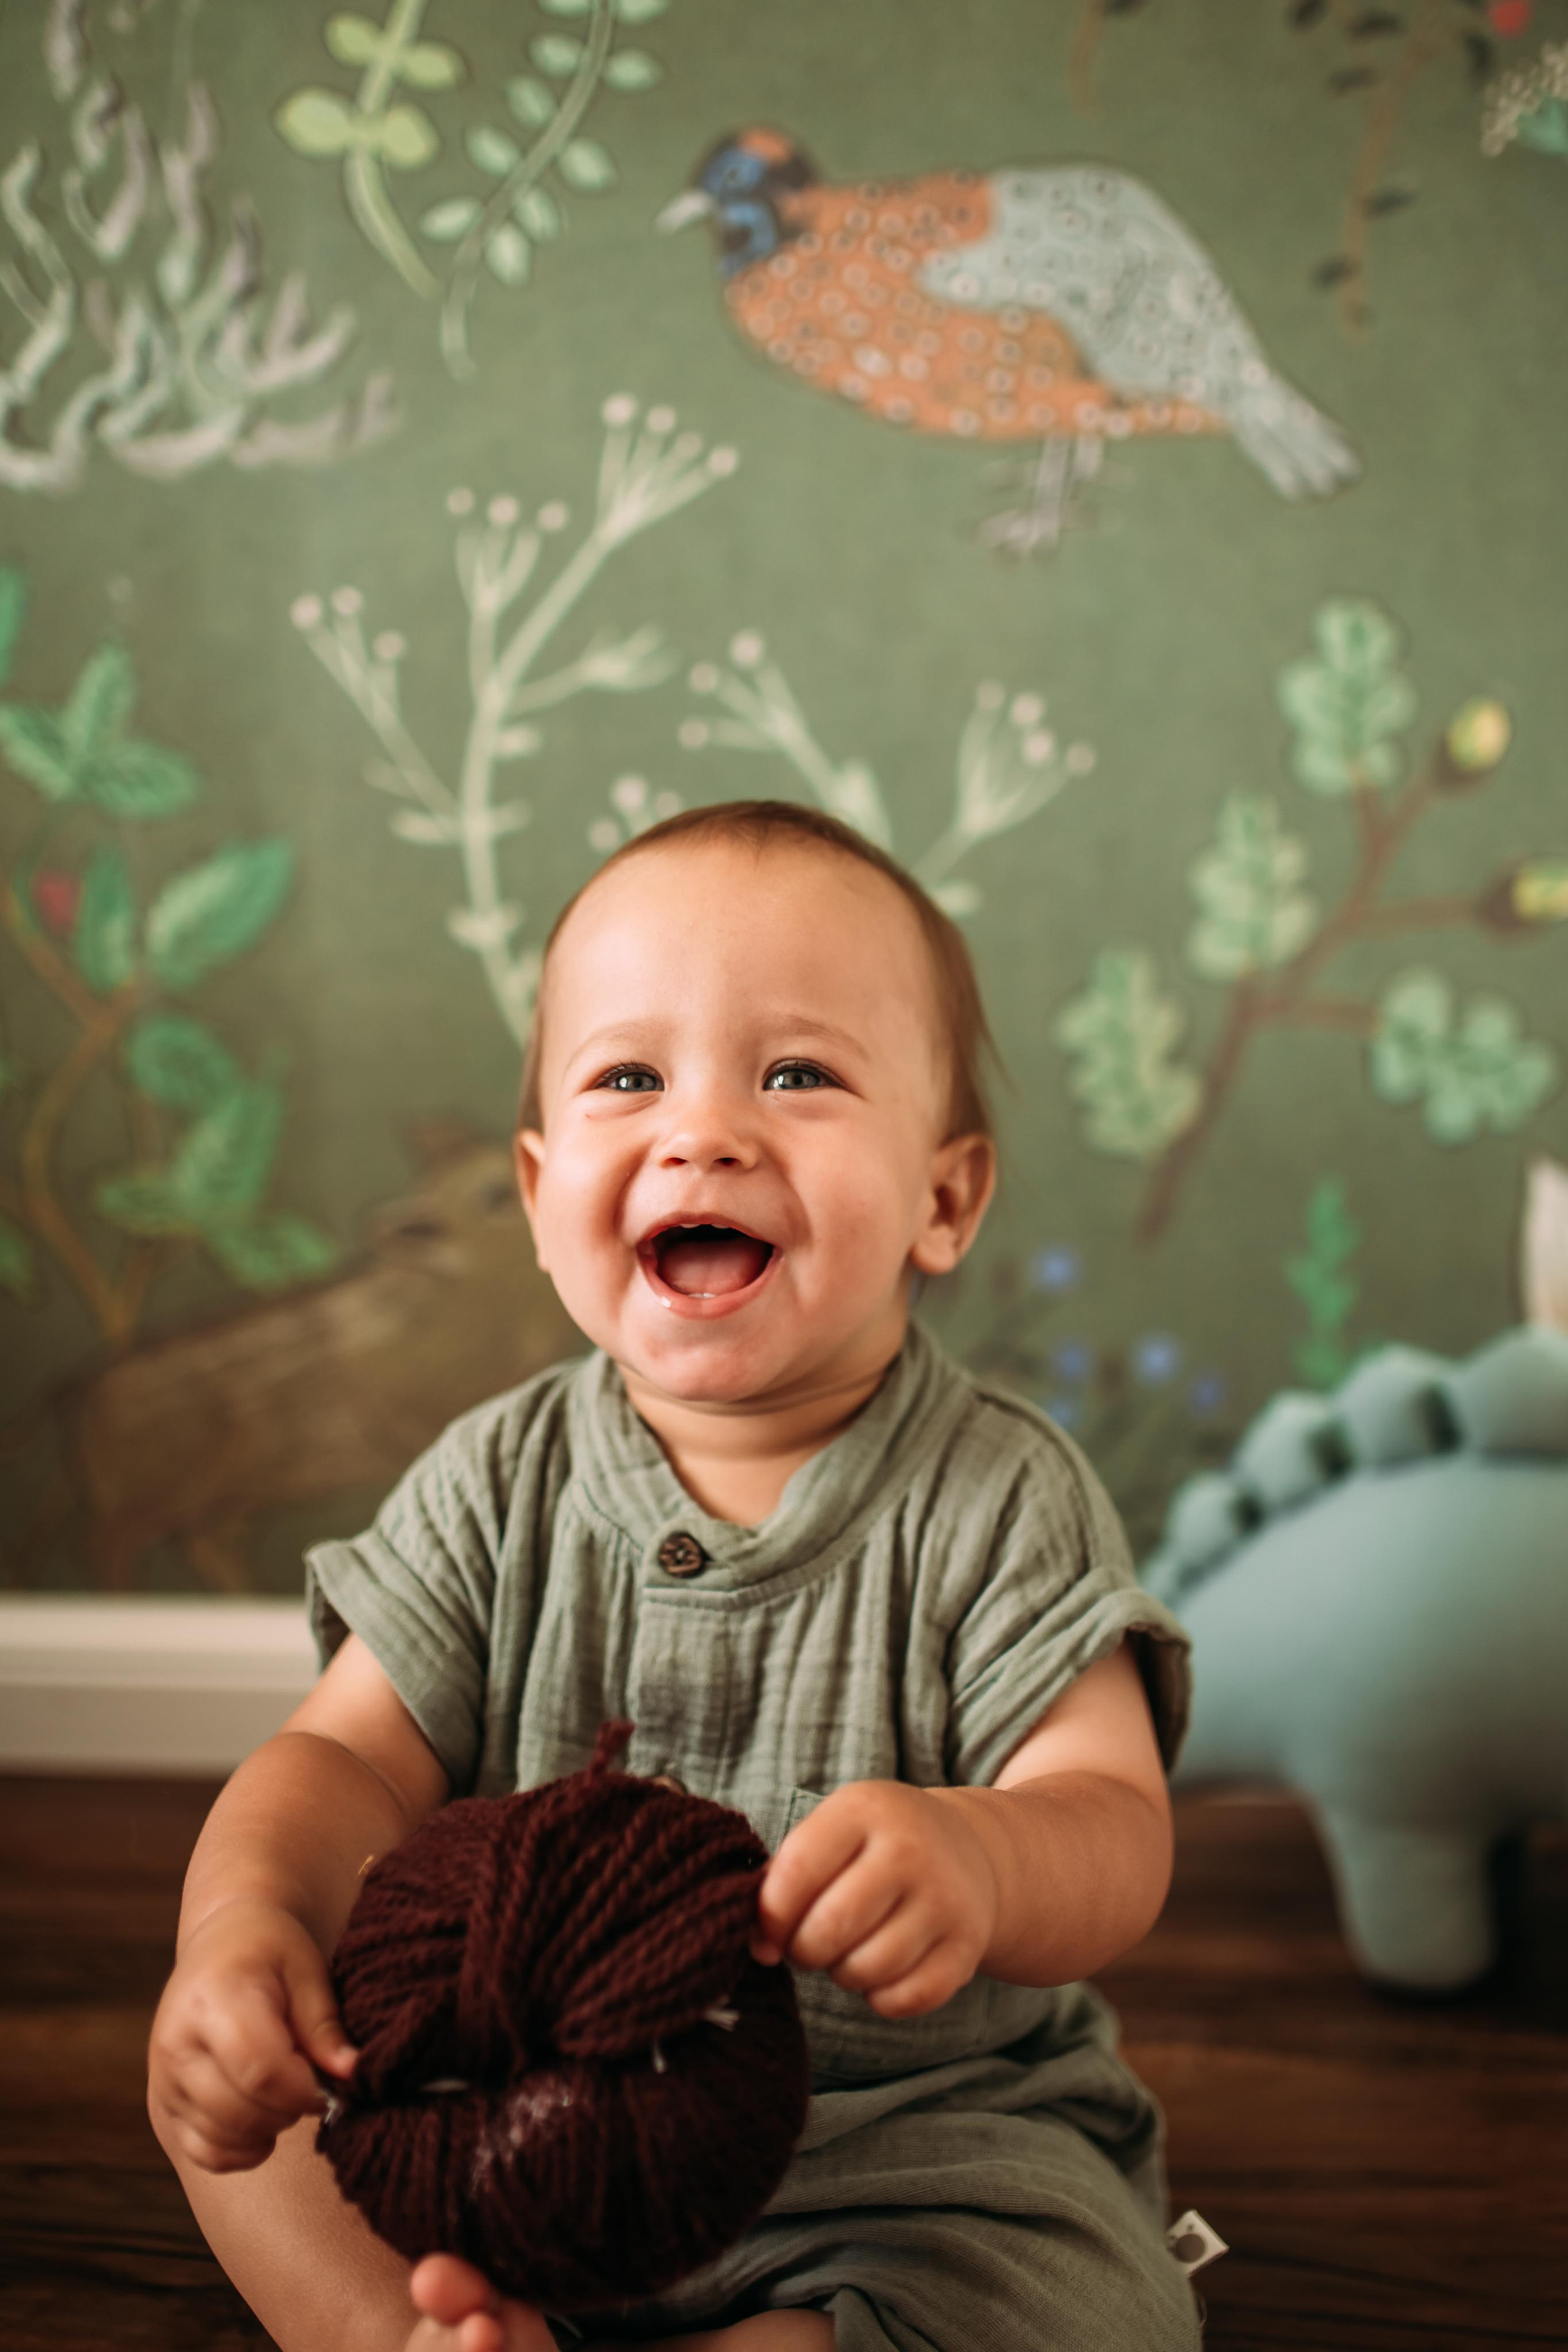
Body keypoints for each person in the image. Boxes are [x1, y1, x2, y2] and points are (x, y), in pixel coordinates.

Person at [148, 801, 1200, 2352]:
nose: (700, 1132)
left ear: (943, 1197)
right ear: (534, 1189)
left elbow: (1113, 1823)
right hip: (514, 2102)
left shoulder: (998, 1498)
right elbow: (335, 1759)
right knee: (228, 2116)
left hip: (889, 2145)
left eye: (797, 1075)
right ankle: (404, 2335)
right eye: (629, 1077)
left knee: (1079, 2302)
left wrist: (979, 1859)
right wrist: (243, 1934)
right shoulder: (495, 1481)